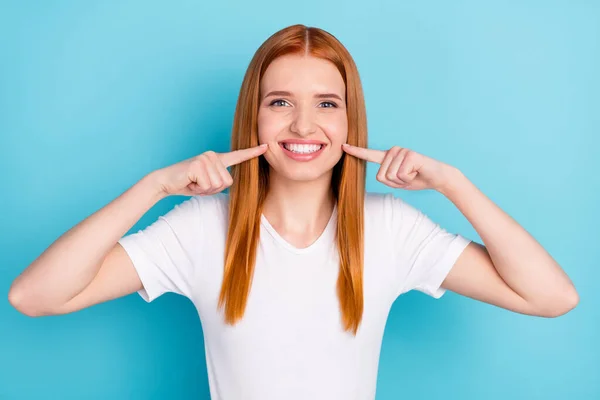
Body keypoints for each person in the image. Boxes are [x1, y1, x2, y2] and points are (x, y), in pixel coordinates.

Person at [8, 24, 578, 400]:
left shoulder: (393, 230)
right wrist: (155, 187)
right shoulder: (202, 229)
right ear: (253, 119)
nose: (304, 127)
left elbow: (552, 297)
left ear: (349, 121)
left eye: (326, 105)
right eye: (280, 103)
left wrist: (454, 184)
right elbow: (34, 297)